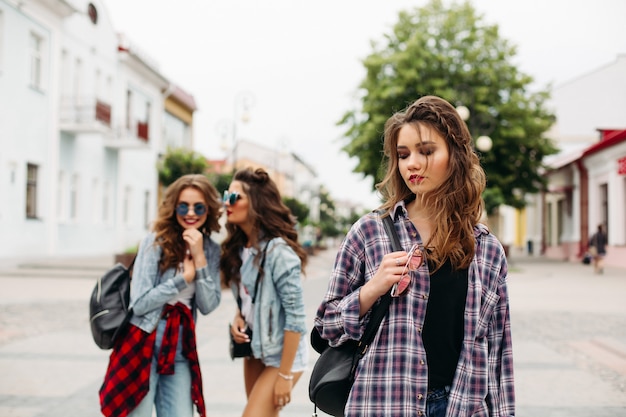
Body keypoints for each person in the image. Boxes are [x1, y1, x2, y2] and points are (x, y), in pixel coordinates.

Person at [313, 95, 515, 417]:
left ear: (455, 155)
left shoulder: (486, 250)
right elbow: (327, 327)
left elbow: (498, 352)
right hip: (383, 403)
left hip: (460, 405)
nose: (412, 164)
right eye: (403, 154)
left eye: (426, 151)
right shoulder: (369, 233)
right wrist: (371, 290)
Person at [100, 174, 223, 417]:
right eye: (183, 206)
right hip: (143, 340)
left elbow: (208, 305)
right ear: (173, 207)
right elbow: (140, 303)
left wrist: (199, 259)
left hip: (180, 345)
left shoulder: (210, 249)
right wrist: (182, 280)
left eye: (198, 207)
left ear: (208, 210)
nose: (190, 212)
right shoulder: (154, 242)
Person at [220, 167, 309, 417]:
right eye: (227, 195)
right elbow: (249, 296)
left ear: (256, 203)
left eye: (235, 197)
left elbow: (296, 319)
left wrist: (284, 374)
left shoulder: (278, 253)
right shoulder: (239, 248)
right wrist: (239, 316)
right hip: (256, 347)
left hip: (283, 354)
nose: (228, 202)